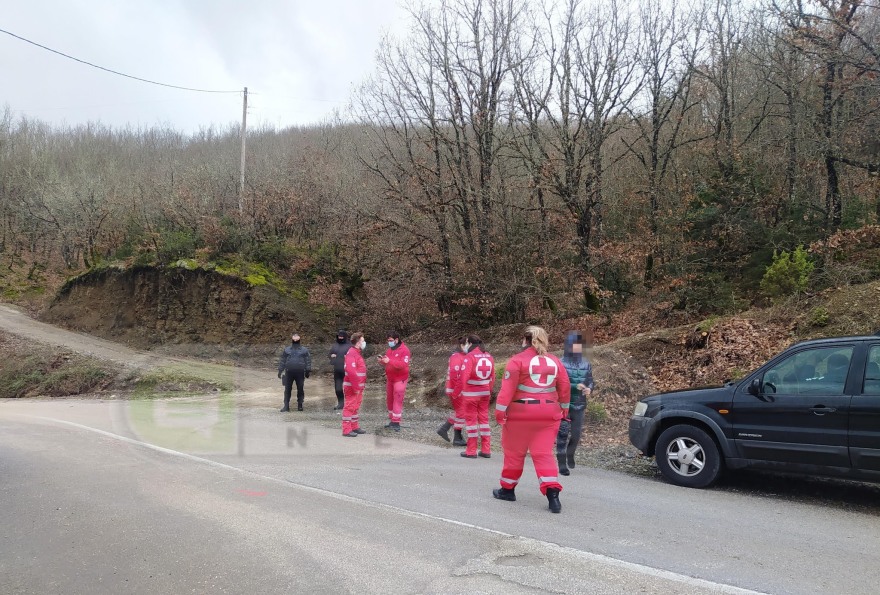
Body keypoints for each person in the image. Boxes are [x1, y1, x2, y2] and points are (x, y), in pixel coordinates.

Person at [492, 325, 571, 513]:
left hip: (521, 414)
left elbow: (506, 391)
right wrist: (564, 409)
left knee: (514, 453)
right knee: (543, 454)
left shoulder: (517, 361)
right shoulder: (555, 361)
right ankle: (553, 495)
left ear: (525, 340)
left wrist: (500, 413)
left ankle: (507, 490)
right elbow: (565, 386)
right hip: (549, 414)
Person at [556, 331, 594, 476]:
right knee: (562, 434)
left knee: (576, 435)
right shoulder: (560, 363)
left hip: (579, 405)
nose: (577, 347)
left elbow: (590, 380)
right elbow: (556, 383)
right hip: (563, 405)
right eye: (574, 345)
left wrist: (589, 388)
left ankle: (570, 454)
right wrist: (573, 387)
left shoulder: (586, 363)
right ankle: (561, 464)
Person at [455, 335, 495, 459]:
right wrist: (489, 390)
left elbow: (463, 377)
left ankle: (471, 450)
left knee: (471, 422)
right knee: (484, 421)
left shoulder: (470, 357)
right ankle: (486, 449)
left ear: (470, 343)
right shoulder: (489, 356)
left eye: (467, 343)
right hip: (485, 393)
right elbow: (492, 377)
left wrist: (456, 392)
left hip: (471, 394)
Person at [436, 337, 468, 446]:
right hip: (456, 389)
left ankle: (444, 429)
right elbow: (455, 375)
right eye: (467, 344)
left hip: (457, 388)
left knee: (460, 411)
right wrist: (457, 390)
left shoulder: (461, 356)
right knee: (462, 412)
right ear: (461, 345)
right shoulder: (457, 356)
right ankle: (457, 437)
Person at [379, 330, 410, 431]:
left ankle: (396, 422)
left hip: (400, 379)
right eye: (388, 340)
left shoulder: (405, 350)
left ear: (396, 340)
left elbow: (403, 365)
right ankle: (392, 420)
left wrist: (389, 361)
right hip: (390, 379)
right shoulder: (389, 350)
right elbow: (388, 363)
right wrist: (382, 361)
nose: (389, 342)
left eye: (391, 340)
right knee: (390, 399)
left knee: (397, 399)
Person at [277, 332, 312, 412]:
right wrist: (280, 370)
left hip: (300, 372)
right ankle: (286, 406)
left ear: (299, 340)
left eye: (297, 339)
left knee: (300, 389)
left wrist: (307, 370)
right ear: (292, 340)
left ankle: (300, 405)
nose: (295, 340)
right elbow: (283, 361)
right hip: (289, 372)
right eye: (294, 339)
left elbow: (308, 361)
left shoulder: (304, 350)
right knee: (287, 389)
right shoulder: (287, 350)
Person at [342, 332, 368, 437]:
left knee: (355, 407)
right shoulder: (352, 353)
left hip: (357, 386)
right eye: (363, 341)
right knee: (350, 407)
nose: (364, 343)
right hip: (352, 386)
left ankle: (354, 426)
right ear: (358, 342)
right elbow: (351, 371)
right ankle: (346, 430)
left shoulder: (356, 353)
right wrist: (356, 386)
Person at [329, 329, 352, 411]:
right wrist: (331, 356)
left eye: (342, 336)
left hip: (347, 370)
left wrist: (347, 358)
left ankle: (349, 403)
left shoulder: (349, 346)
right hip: (337, 369)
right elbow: (329, 354)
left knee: (348, 388)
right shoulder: (335, 345)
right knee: (338, 387)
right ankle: (341, 403)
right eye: (339, 336)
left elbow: (354, 356)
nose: (340, 338)